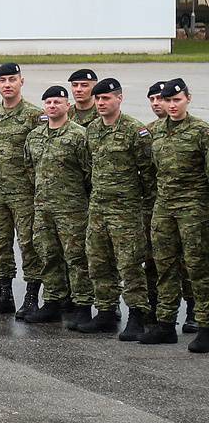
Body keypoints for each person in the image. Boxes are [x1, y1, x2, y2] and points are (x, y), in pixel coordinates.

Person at [83, 77, 154, 339]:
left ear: (119, 99)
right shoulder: (92, 130)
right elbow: (90, 167)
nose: (101, 103)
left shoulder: (135, 131)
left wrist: (141, 207)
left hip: (126, 210)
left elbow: (148, 174)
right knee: (99, 262)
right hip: (99, 207)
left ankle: (137, 314)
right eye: (98, 99)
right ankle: (105, 311)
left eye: (106, 98)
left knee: (130, 264)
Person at [143, 79, 207, 347]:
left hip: (194, 209)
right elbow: (148, 171)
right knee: (164, 266)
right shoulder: (153, 131)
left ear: (188, 99)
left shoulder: (201, 132)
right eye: (167, 101)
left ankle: (205, 323)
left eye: (176, 100)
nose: (171, 105)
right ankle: (166, 323)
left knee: (198, 266)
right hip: (164, 208)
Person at [24, 85, 91, 326]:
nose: (53, 106)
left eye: (57, 102)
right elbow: (30, 168)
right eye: (48, 103)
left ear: (67, 106)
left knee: (76, 257)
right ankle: (53, 300)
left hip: (72, 208)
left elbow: (88, 172)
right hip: (43, 208)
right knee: (48, 255)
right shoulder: (35, 136)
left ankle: (82, 303)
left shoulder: (78, 135)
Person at [0, 62, 41, 318]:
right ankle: (5, 294)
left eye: (12, 79)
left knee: (29, 245)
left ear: (21, 81)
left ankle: (31, 298)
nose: (7, 84)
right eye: (2, 80)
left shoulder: (34, 115)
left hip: (24, 194)